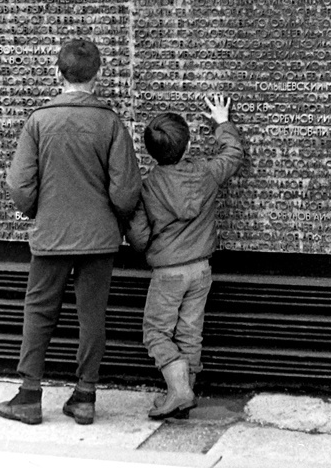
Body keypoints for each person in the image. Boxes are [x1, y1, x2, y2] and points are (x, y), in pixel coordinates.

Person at [0, 38, 141, 426]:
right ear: (99, 75)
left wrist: (36, 211)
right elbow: (126, 190)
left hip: (52, 235)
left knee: (39, 311)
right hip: (99, 238)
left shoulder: (39, 121)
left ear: (58, 73)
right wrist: (113, 215)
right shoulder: (110, 123)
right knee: (92, 315)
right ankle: (85, 397)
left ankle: (28, 396)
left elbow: (20, 185)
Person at [126, 93, 244, 419]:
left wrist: (146, 244)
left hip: (168, 272)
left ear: (151, 152)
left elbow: (138, 236)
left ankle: (178, 390)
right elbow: (233, 153)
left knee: (156, 333)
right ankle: (184, 393)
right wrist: (222, 123)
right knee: (190, 333)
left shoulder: (148, 188)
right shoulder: (207, 172)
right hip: (201, 270)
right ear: (189, 144)